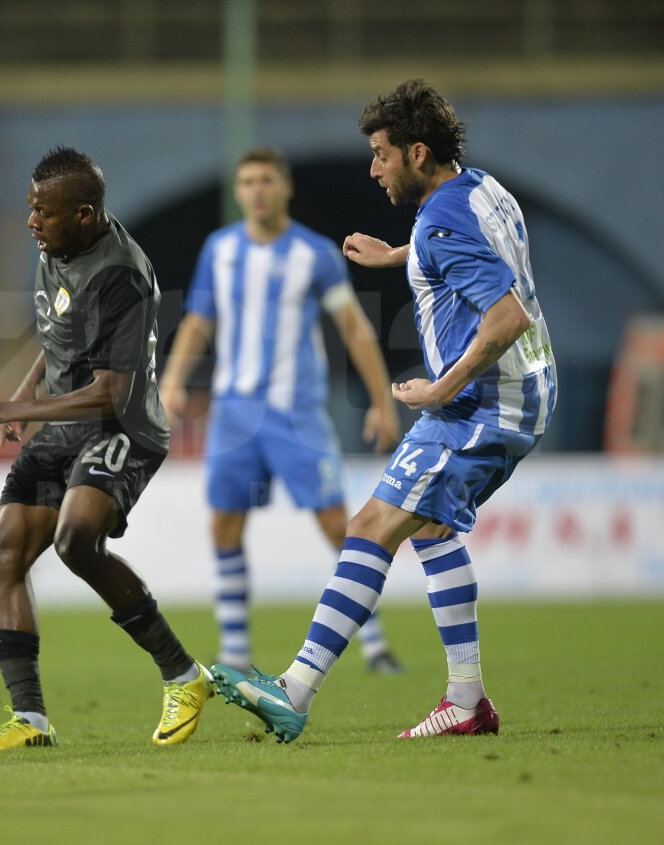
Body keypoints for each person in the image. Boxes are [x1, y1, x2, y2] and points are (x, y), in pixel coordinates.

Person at [211, 79, 556, 741]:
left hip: (481, 403)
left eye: (381, 154)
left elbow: (505, 315)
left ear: (417, 152)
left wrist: (440, 387)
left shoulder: (440, 219)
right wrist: (403, 256)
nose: (373, 168)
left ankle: (295, 689)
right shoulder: (482, 187)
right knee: (427, 529)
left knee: (370, 524)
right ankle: (467, 699)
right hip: (526, 393)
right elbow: (484, 260)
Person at [0, 146, 213, 749]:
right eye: (31, 208)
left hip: (124, 429)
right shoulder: (56, 249)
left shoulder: (121, 274)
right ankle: (31, 721)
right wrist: (23, 388)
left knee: (75, 539)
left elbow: (111, 395)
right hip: (64, 425)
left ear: (86, 214)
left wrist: (7, 409)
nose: (32, 221)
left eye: (45, 212)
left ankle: (183, 674)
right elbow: (59, 331)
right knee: (3, 554)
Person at [158, 147, 402, 674]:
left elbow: (354, 327)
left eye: (266, 180)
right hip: (235, 414)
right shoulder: (219, 250)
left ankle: (375, 643)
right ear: (239, 191)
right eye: (247, 181)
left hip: (298, 414)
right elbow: (199, 321)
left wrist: (383, 401)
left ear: (285, 188)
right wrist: (173, 380)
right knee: (225, 524)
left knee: (340, 526)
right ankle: (236, 652)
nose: (256, 190)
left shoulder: (314, 253)